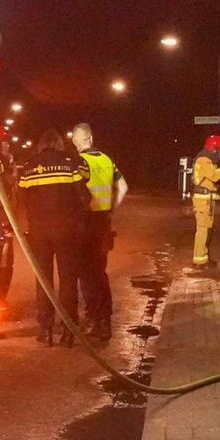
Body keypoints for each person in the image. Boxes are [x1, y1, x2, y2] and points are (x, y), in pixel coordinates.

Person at [18, 129, 90, 346]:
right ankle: (69, 330)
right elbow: (84, 197)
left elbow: (22, 199)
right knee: (68, 279)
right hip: (67, 230)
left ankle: (46, 328)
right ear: (59, 144)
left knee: (44, 279)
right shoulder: (69, 164)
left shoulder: (29, 167)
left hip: (39, 231)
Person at [71, 122, 128, 339]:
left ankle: (94, 319)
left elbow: (75, 191)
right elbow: (123, 188)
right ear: (92, 139)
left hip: (85, 222)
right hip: (103, 222)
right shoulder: (107, 159)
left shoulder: (80, 162)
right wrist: (112, 210)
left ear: (78, 140)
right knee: (100, 271)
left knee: (87, 274)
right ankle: (105, 319)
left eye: (75, 140)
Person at [190, 134, 220, 269]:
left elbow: (210, 183)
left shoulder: (207, 160)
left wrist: (219, 191)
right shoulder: (204, 160)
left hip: (206, 200)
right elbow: (214, 175)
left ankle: (204, 258)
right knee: (203, 230)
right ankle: (200, 261)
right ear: (214, 149)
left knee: (207, 230)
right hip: (202, 201)